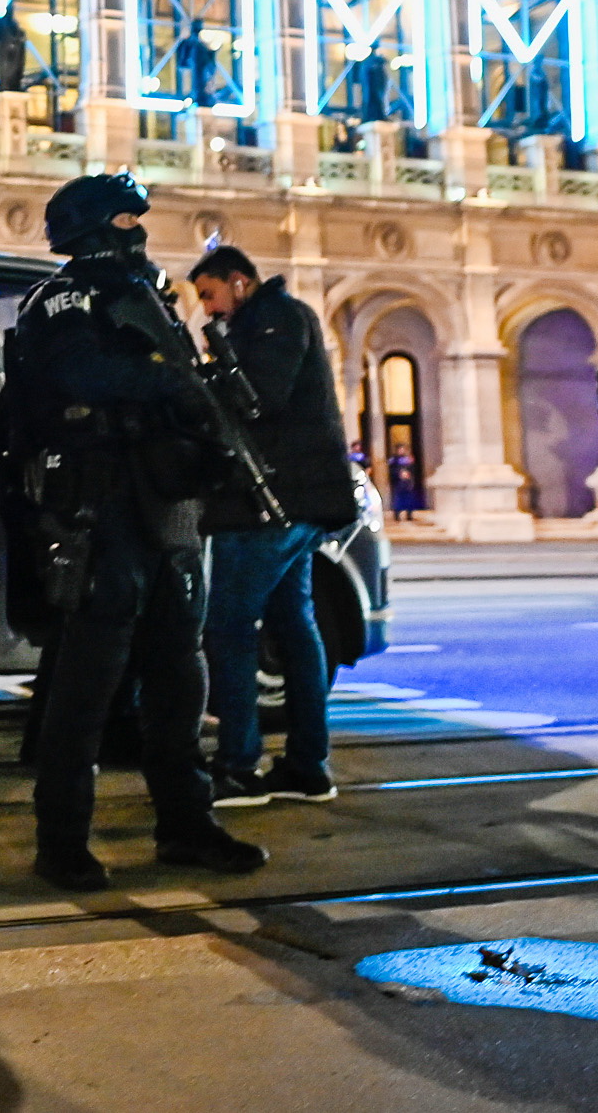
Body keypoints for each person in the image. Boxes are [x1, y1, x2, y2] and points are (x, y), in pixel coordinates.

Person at [5, 172, 266, 891]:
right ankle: (62, 841)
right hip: (100, 507)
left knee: (180, 679)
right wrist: (165, 379)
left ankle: (187, 825)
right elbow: (81, 377)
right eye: (124, 218)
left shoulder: (146, 294)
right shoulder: (62, 297)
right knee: (88, 688)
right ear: (90, 227)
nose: (137, 228)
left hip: (163, 504)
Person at [188, 245, 359, 809]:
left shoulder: (277, 319)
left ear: (240, 282)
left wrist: (206, 375)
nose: (207, 309)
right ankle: (307, 767)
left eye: (210, 294)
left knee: (229, 627)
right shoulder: (273, 320)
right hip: (295, 500)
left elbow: (259, 400)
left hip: (275, 501)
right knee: (293, 623)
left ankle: (238, 764)